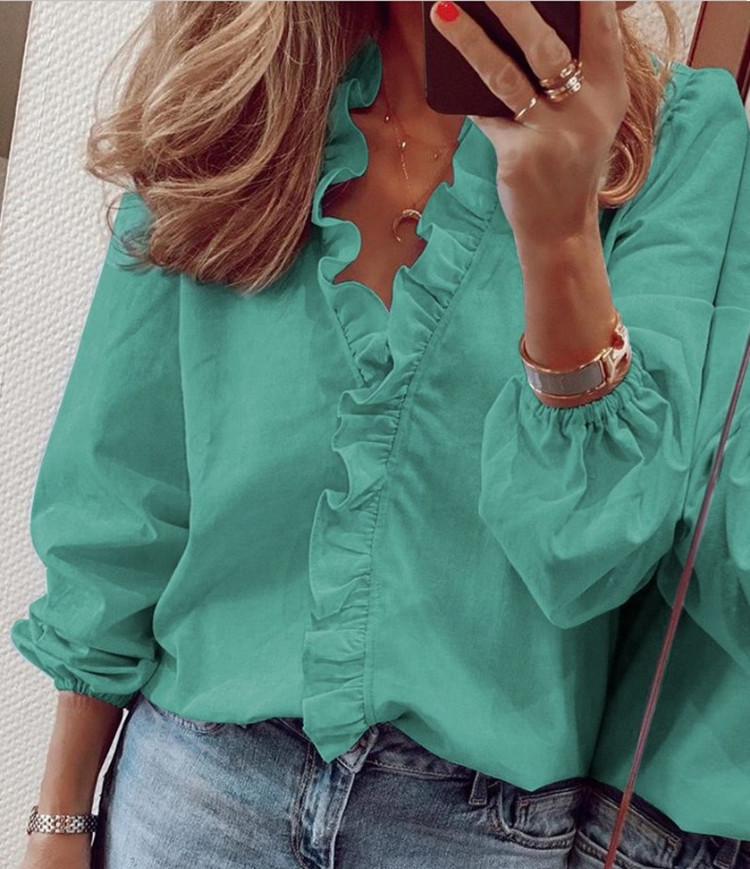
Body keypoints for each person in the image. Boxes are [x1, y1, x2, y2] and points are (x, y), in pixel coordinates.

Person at [8, 2, 746, 867]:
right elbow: (125, 488)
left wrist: (559, 235)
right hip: (196, 788)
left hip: (478, 834)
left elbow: (592, 549)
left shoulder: (674, 139)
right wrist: (60, 817)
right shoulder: (233, 93)